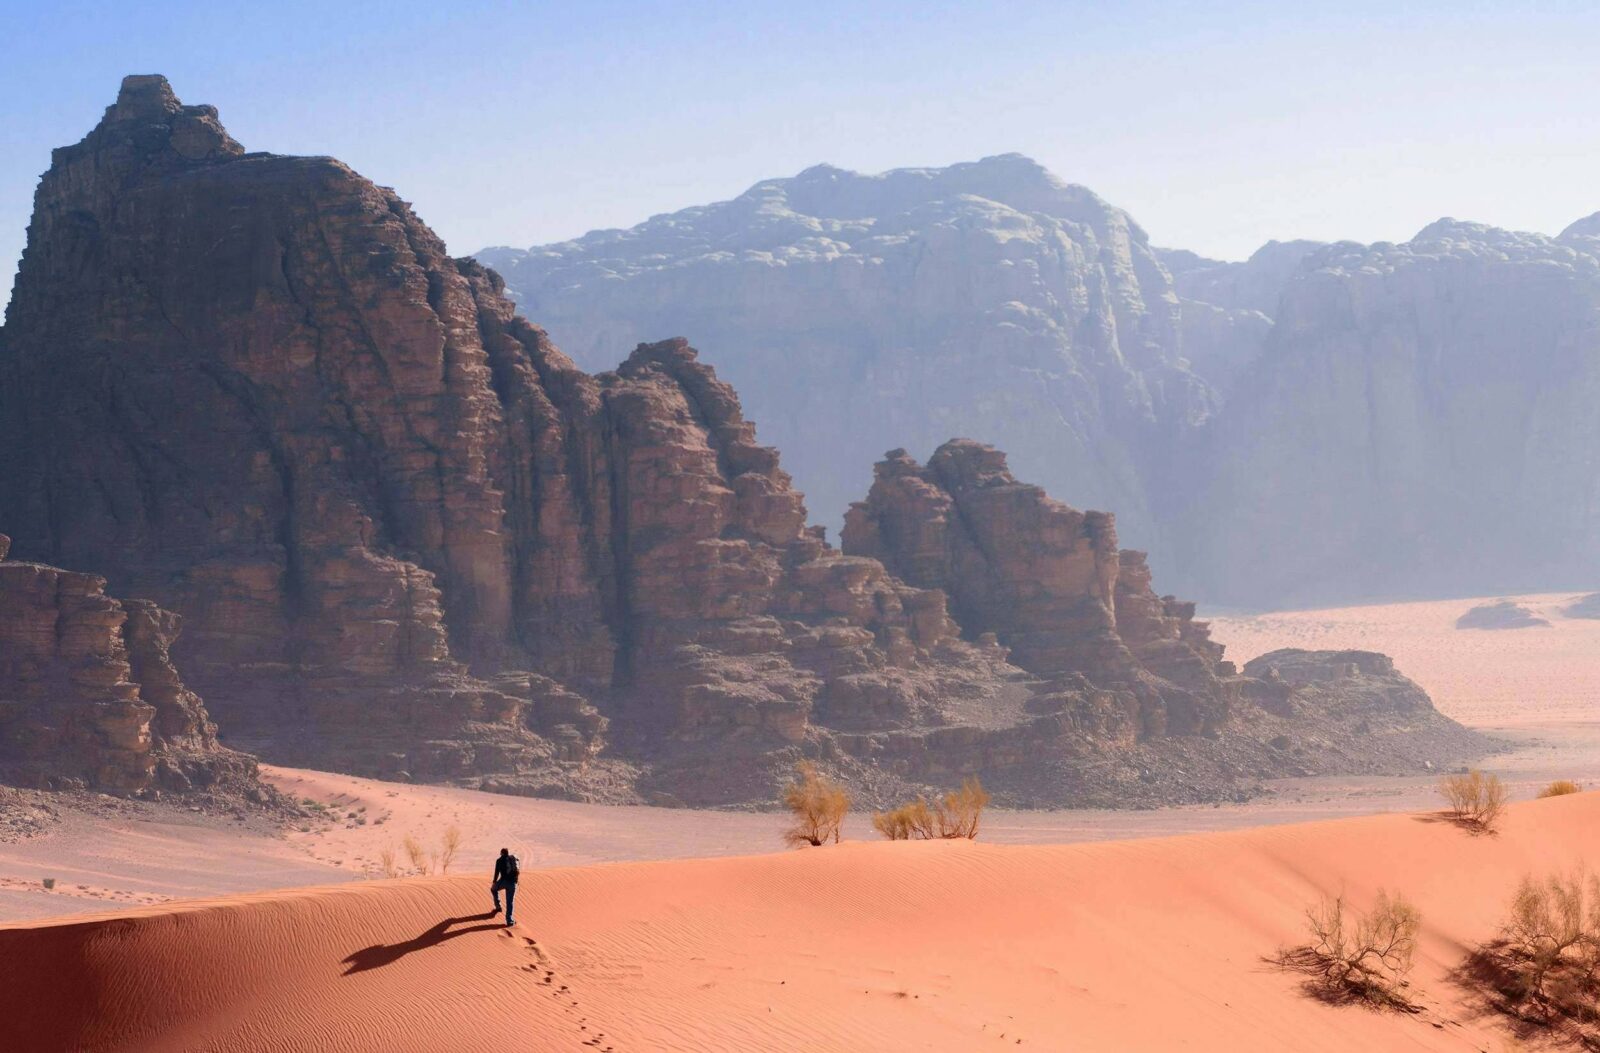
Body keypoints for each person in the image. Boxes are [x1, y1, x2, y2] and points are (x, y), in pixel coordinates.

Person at [490, 847, 519, 926]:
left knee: (493, 889)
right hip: (513, 883)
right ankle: (509, 920)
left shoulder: (499, 860)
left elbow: (496, 873)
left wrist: (494, 882)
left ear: (502, 853)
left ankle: (498, 906)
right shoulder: (512, 860)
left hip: (503, 882)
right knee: (510, 902)